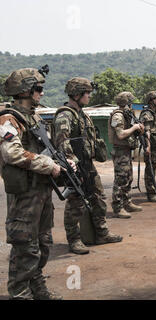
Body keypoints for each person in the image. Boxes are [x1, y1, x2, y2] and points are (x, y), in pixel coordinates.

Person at [0, 68, 65, 300]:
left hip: (42, 190)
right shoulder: (9, 118)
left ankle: (37, 287)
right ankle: (20, 293)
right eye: (38, 88)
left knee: (43, 242)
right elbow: (12, 153)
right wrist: (48, 165)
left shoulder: (35, 117)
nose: (42, 92)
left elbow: (46, 149)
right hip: (25, 193)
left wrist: (65, 164)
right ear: (26, 90)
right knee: (25, 245)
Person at [53, 77, 123, 255]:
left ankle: (101, 232)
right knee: (75, 203)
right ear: (77, 94)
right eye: (87, 93)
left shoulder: (82, 114)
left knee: (98, 197)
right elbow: (62, 141)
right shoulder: (65, 115)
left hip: (87, 164)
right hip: (75, 166)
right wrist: (71, 166)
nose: (90, 96)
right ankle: (74, 239)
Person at [108, 92, 144, 219]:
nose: (132, 105)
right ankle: (118, 207)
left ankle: (127, 202)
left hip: (126, 150)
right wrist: (134, 128)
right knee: (120, 179)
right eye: (130, 103)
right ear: (126, 103)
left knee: (128, 178)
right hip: (120, 151)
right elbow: (121, 134)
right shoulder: (118, 116)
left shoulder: (127, 115)